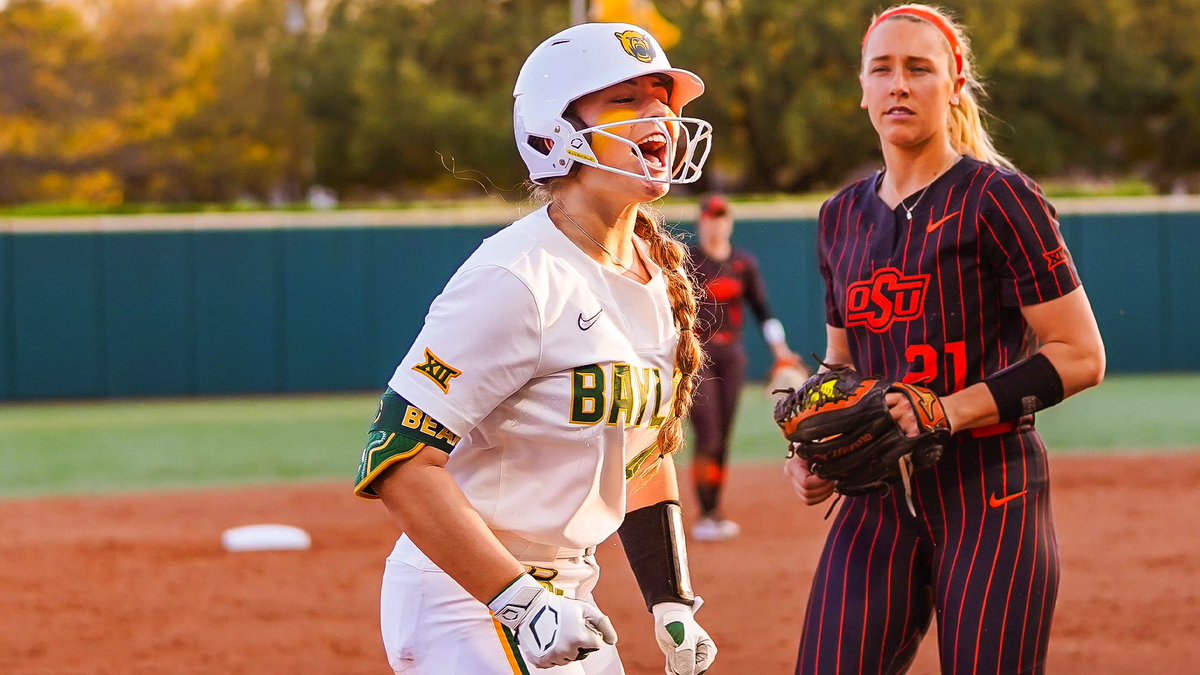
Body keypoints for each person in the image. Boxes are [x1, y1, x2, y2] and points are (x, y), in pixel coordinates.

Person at [353, 22, 718, 675]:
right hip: (467, 597)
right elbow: (398, 460)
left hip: (571, 599)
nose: (657, 113)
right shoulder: (516, 276)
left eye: (661, 98)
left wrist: (670, 602)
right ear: (557, 132)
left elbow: (641, 459)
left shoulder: (655, 272)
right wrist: (520, 600)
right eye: (625, 99)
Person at [783, 4, 1106, 674]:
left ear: (954, 85)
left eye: (918, 69)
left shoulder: (1000, 198)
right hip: (874, 502)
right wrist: (812, 447)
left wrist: (945, 410)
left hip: (990, 496)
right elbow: (840, 363)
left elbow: (1080, 354)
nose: (899, 84)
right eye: (883, 69)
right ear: (864, 89)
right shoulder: (839, 216)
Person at [686, 194, 802, 541]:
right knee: (707, 435)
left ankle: (715, 512)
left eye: (722, 217)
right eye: (710, 217)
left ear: (729, 222)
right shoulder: (688, 261)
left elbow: (763, 310)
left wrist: (780, 349)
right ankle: (705, 512)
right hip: (698, 358)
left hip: (731, 357)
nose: (716, 223)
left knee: (722, 438)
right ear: (701, 221)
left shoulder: (743, 264)